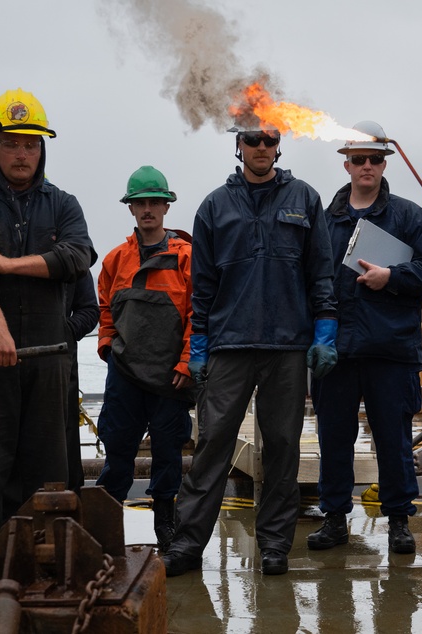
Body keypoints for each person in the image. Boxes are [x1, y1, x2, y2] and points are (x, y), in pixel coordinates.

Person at [161, 124, 338, 577]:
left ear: (280, 145)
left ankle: (275, 546)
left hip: (287, 345)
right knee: (212, 445)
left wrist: (325, 330)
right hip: (228, 344)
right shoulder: (214, 206)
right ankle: (186, 545)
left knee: (282, 446)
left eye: (269, 140)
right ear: (237, 145)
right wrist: (197, 344)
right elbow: (201, 286)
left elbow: (321, 272)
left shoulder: (305, 199)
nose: (262, 147)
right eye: (252, 140)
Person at [0, 88, 97, 566]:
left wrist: (8, 264)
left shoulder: (63, 204)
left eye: (31, 144)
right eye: (12, 143)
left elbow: (78, 255)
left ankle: (48, 554)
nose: (22, 154)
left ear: (43, 149)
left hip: (50, 358)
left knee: (49, 463)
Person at [306, 121, 422, 555]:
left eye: (375, 159)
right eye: (358, 159)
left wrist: (392, 277)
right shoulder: (324, 221)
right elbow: (308, 277)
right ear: (346, 163)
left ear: (385, 163)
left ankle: (399, 520)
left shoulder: (408, 216)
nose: (367, 166)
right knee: (333, 437)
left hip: (391, 350)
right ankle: (334, 519)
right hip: (338, 351)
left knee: (394, 438)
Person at [95, 165, 194, 551]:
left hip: (170, 377)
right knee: (117, 448)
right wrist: (106, 345)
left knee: (168, 451)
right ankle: (105, 522)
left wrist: (187, 363)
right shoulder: (116, 259)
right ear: (131, 209)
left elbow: (197, 315)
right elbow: (105, 307)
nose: (148, 209)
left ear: (166, 207)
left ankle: (164, 520)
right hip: (125, 374)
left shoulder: (186, 256)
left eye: (155, 202)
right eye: (141, 203)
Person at [64, 271, 100, 492]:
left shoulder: (72, 254)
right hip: (6, 363)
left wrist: (61, 332)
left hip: (61, 363)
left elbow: (89, 310)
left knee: (65, 443)